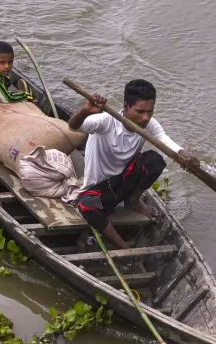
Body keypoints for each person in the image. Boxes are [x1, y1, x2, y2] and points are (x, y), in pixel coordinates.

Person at [68, 79, 199, 250]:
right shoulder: (105, 121)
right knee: (86, 205)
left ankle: (133, 201)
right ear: (126, 107)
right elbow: (73, 127)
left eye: (150, 112)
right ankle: (124, 247)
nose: (146, 117)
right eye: (140, 111)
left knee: (155, 160)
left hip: (124, 184)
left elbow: (166, 141)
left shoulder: (150, 124)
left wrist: (184, 155)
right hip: (99, 189)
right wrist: (86, 111)